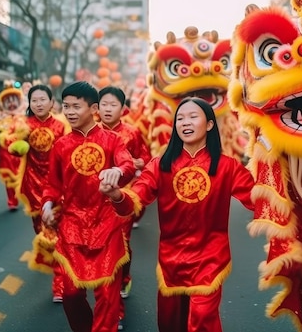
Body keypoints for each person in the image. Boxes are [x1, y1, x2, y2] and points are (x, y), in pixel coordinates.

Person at [101, 97, 254, 332]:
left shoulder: (227, 166)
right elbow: (134, 201)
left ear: (210, 124)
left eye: (193, 117)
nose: (185, 122)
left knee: (203, 318)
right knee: (170, 322)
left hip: (210, 257)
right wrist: (116, 194)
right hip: (171, 259)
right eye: (180, 118)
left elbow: (258, 199)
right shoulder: (160, 164)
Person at [41, 81, 135, 332]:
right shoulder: (60, 146)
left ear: (93, 108)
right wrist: (48, 205)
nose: (70, 112)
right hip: (72, 227)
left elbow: (127, 165)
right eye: (66, 106)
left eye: (76, 106)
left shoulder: (112, 140)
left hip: (107, 223)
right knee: (71, 294)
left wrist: (117, 170)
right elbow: (52, 185)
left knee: (107, 296)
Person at [98, 86, 151, 328]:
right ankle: (106, 302)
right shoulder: (90, 133)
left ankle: (122, 282)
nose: (108, 109)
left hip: (123, 199)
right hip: (95, 202)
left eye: (113, 104)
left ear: (123, 108)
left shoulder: (131, 133)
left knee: (122, 246)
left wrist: (132, 163)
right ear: (96, 108)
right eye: (104, 104)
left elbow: (146, 159)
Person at [19, 84, 70, 303]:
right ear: (30, 103)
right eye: (34, 100)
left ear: (51, 102)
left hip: (55, 187)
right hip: (31, 187)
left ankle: (59, 285)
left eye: (43, 99)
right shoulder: (23, 126)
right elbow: (13, 146)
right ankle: (55, 266)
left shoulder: (61, 127)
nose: (38, 104)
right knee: (40, 232)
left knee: (54, 235)